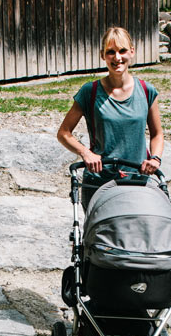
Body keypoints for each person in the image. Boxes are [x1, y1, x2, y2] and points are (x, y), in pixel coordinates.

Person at [57, 26, 164, 207]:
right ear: (102, 55)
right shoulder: (89, 92)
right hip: (99, 182)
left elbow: (157, 134)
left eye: (122, 51)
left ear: (132, 51)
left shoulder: (146, 91)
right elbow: (64, 133)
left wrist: (155, 158)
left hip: (137, 179)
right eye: (110, 52)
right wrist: (85, 153)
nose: (117, 58)